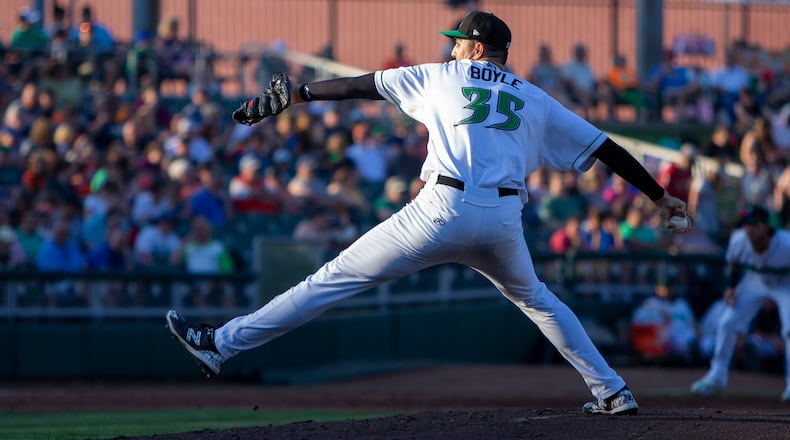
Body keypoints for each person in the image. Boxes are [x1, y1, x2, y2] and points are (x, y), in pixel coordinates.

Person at [166, 11, 689, 415]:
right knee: (540, 302)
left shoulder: (444, 75)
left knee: (332, 279)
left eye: (458, 40)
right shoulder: (535, 98)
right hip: (504, 221)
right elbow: (608, 148)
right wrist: (659, 197)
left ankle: (220, 344)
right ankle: (613, 391)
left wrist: (300, 95)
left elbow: (361, 85)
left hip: (441, 208)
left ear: (477, 48)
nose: (452, 46)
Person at [690, 205, 790, 401]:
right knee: (727, 321)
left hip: (785, 283)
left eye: (755, 224)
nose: (750, 229)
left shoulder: (786, 244)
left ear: (766, 226)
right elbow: (735, 264)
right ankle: (716, 377)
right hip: (755, 280)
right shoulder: (738, 240)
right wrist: (731, 287)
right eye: (747, 224)